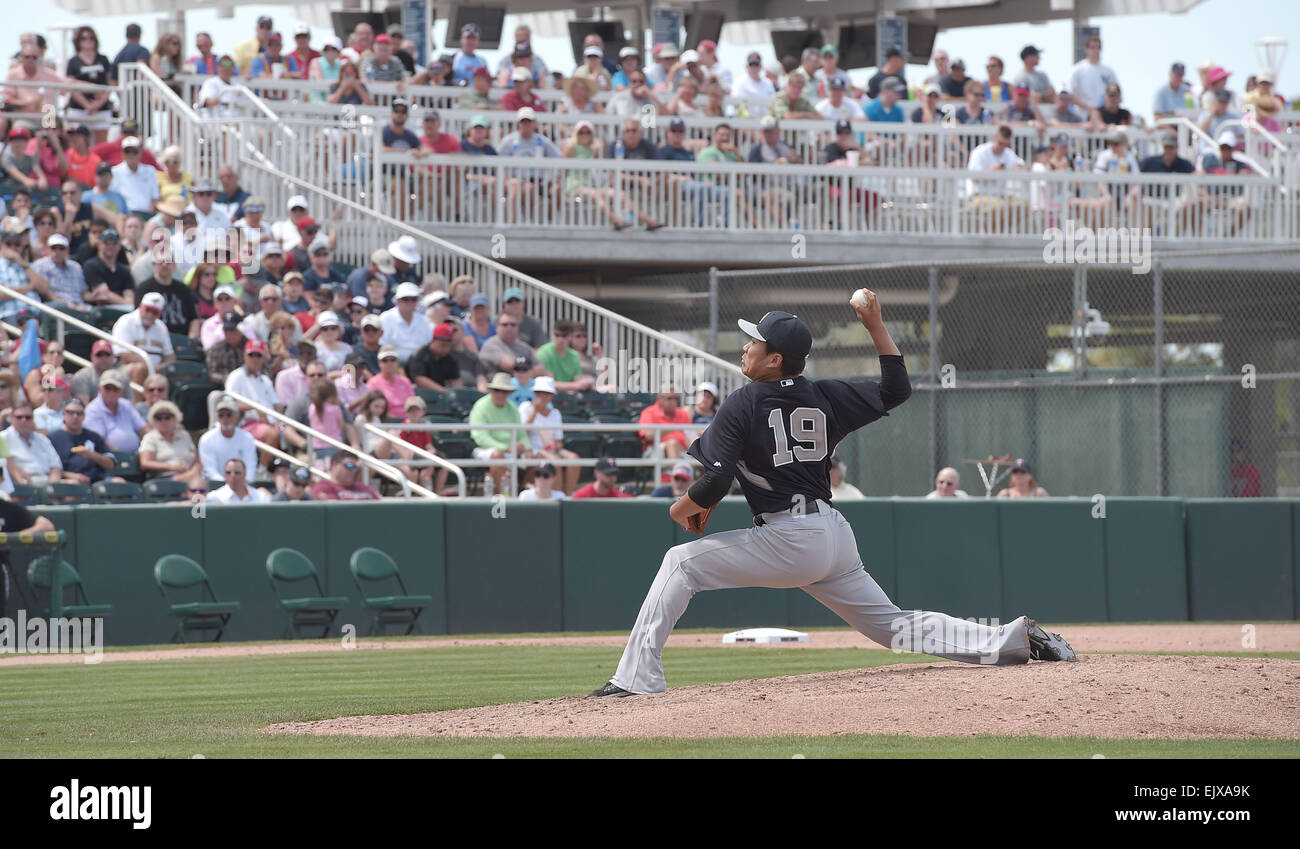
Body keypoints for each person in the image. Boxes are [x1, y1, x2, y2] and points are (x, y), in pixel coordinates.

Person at [589, 294, 1076, 698]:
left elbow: (714, 482)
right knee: (892, 627)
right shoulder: (823, 395)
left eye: (754, 342)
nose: (745, 347)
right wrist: (875, 324)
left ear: (774, 358)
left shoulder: (742, 401)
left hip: (789, 539)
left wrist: (681, 509)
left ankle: (637, 678)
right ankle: (1012, 639)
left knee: (680, 563)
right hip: (832, 536)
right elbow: (897, 388)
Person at [517, 376, 579, 494]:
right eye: (539, 393)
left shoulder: (555, 413)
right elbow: (523, 434)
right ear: (535, 393)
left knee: (574, 458)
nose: (543, 396)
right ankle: (557, 498)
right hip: (532, 450)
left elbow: (559, 440)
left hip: (551, 450)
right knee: (555, 461)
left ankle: (566, 496)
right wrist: (535, 411)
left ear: (552, 396)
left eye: (546, 393)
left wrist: (555, 448)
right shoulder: (525, 407)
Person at [48, 396, 116, 484]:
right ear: (63, 415)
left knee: (119, 482)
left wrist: (92, 455)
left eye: (79, 413)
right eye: (71, 412)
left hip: (97, 481)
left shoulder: (93, 437)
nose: (75, 416)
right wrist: (71, 476)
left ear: (84, 416)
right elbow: (46, 469)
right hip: (68, 483)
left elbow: (110, 464)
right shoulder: (52, 438)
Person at [65, 28, 114, 143]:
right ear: (78, 41)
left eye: (91, 37)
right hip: (79, 109)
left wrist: (98, 104)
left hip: (101, 108)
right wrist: (87, 105)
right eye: (83, 38)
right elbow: (70, 85)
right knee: (78, 143)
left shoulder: (103, 59)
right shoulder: (73, 61)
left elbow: (110, 83)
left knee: (101, 146)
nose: (88, 40)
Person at [2, 403, 64, 487]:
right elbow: (6, 466)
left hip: (47, 482)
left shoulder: (42, 440)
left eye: (28, 417)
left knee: (74, 489)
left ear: (33, 419)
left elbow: (56, 468)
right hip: (19, 484)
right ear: (11, 418)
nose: (23, 420)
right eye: (19, 417)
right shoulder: (3, 438)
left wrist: (51, 486)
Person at [83, 370, 147, 452]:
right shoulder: (92, 410)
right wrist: (122, 456)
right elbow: (99, 441)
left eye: (115, 389)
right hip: (108, 458)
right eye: (107, 388)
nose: (111, 392)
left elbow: (144, 429)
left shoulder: (126, 405)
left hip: (136, 455)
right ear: (100, 388)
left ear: (121, 391)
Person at [637, 386, 692, 460]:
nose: (673, 401)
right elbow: (648, 436)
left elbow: (690, 435)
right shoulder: (649, 412)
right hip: (655, 449)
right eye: (669, 398)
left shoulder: (682, 413)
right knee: (673, 443)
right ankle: (678, 471)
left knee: (700, 451)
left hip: (683, 449)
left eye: (675, 398)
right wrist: (672, 428)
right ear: (660, 399)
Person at [311, 449, 380, 500]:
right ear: (335, 465)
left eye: (355, 467)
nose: (353, 470)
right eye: (349, 466)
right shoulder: (323, 488)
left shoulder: (363, 488)